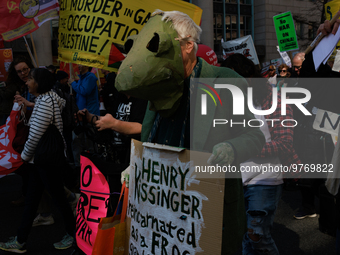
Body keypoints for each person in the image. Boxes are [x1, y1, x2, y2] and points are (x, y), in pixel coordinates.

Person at [115, 10, 265, 254]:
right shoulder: (160, 86)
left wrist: (232, 148)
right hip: (161, 212)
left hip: (207, 211)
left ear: (188, 46)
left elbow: (254, 136)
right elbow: (151, 134)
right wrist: (138, 166)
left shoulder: (225, 80)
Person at [222, 53, 301, 255]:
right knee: (241, 237)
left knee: (256, 236)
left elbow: (284, 144)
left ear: (250, 78)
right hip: (234, 180)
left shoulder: (274, 99)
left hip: (264, 180)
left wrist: (243, 147)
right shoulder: (226, 101)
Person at [0, 68, 75, 253]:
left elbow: (34, 136)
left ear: (39, 82)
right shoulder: (45, 99)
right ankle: (20, 241)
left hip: (45, 161)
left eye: (31, 79)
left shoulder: (45, 102)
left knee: (60, 200)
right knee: (33, 201)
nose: (27, 82)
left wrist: (24, 157)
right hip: (40, 161)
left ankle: (74, 235)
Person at [70, 64, 100, 169]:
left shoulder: (91, 77)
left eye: (81, 63)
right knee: (78, 141)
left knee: (89, 142)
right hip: (80, 116)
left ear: (87, 66)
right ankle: (79, 166)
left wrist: (73, 84)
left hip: (90, 115)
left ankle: (91, 166)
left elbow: (84, 91)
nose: (78, 66)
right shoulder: (82, 79)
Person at [0, 56, 34, 126]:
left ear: (30, 68)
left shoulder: (41, 86)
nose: (23, 73)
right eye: (19, 71)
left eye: (25, 69)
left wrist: (30, 104)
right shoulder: (21, 87)